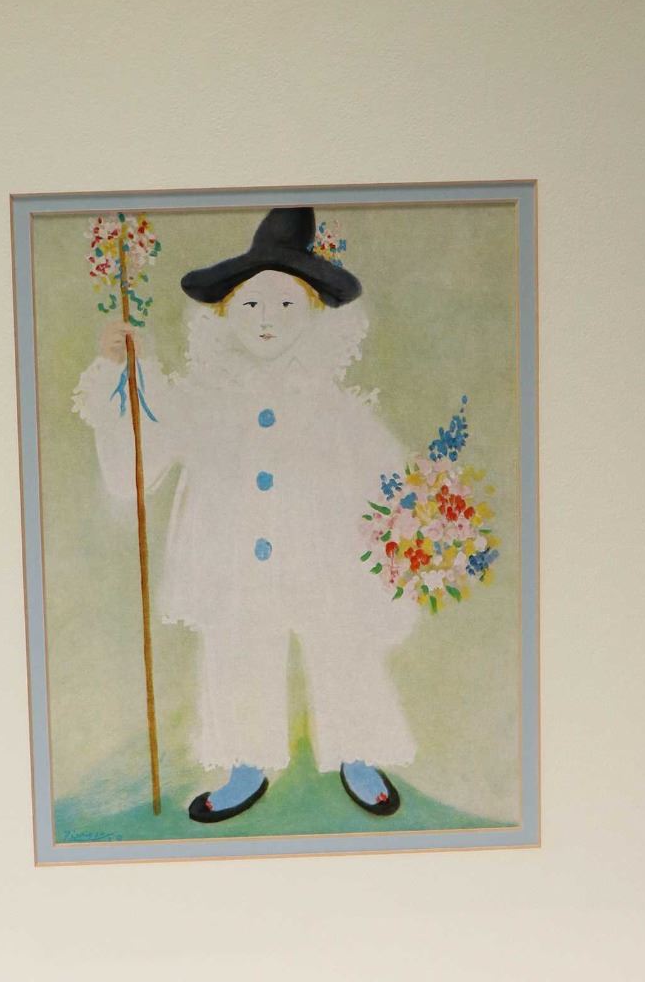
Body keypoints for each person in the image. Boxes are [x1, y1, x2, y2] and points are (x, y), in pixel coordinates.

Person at [73, 206, 415, 823]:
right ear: (227, 313)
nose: (266, 319)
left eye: (285, 305)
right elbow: (140, 462)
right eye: (252, 304)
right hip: (231, 555)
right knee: (237, 648)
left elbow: (382, 467)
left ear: (314, 313)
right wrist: (122, 370)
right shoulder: (205, 396)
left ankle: (356, 752)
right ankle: (246, 763)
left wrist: (412, 514)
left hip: (322, 554)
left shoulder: (330, 403)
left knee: (342, 644)